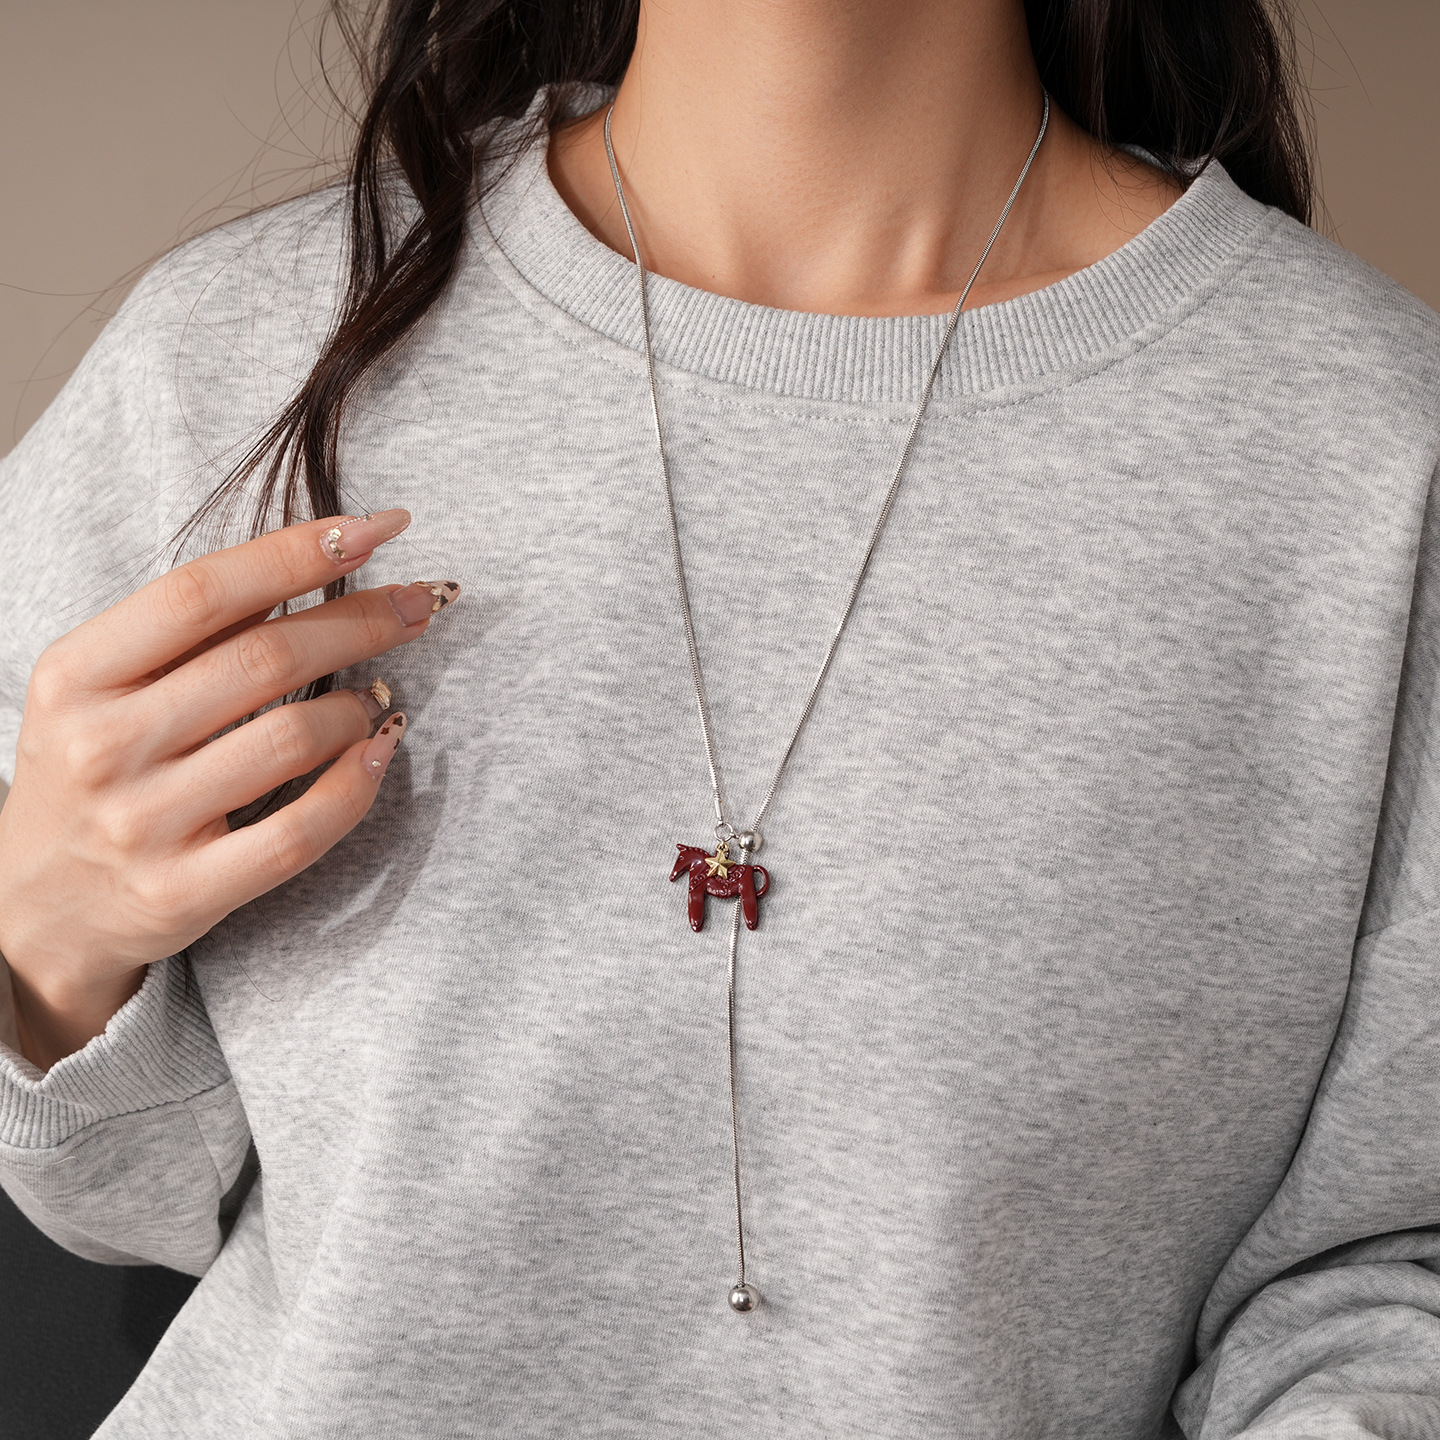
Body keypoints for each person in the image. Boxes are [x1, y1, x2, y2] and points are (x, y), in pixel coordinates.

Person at [1, 0, 1437, 1435]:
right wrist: (48, 957)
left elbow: (1385, 1288)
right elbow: (129, 1197)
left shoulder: (1370, 448)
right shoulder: (229, 360)